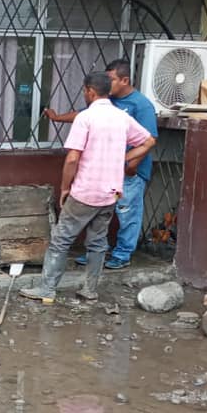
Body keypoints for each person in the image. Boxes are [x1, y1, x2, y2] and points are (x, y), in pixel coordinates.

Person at [21, 73, 155, 303]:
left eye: (85, 91)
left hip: (85, 191)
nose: (84, 94)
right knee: (98, 243)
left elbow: (73, 158)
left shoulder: (86, 118)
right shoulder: (121, 117)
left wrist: (65, 188)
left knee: (61, 240)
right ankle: (89, 290)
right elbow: (149, 141)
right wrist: (123, 160)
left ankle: (47, 289)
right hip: (111, 192)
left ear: (90, 91)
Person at [44, 58, 159, 269]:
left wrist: (130, 165)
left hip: (129, 173)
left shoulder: (141, 105)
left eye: (111, 79)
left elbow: (149, 139)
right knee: (102, 215)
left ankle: (122, 254)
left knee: (127, 212)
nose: (107, 83)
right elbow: (83, 115)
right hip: (107, 174)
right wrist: (58, 118)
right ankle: (96, 254)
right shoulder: (108, 101)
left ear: (124, 80)